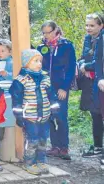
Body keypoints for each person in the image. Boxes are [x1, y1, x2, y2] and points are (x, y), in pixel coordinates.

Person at [10, 49, 60, 175]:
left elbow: (51, 96)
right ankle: (29, 162)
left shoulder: (45, 78)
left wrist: (54, 112)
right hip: (30, 116)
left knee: (43, 139)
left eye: (40, 61)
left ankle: (41, 160)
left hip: (45, 115)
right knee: (32, 140)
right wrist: (19, 116)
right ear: (26, 63)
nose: (39, 64)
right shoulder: (20, 80)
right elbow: (16, 100)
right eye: (35, 61)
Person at [37, 21, 76, 160]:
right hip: (47, 86)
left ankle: (64, 147)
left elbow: (71, 68)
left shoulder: (66, 45)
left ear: (55, 30)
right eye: (44, 33)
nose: (46, 35)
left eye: (49, 32)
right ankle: (54, 147)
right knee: (50, 116)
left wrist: (64, 88)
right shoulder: (41, 47)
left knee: (61, 116)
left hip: (61, 86)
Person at [78, 13, 104, 158]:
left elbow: (99, 61)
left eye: (92, 25)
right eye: (87, 25)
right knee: (95, 114)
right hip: (90, 83)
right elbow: (83, 57)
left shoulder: (102, 39)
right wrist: (83, 65)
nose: (88, 28)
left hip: (100, 81)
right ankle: (98, 148)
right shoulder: (88, 38)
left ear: (101, 26)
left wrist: (86, 66)